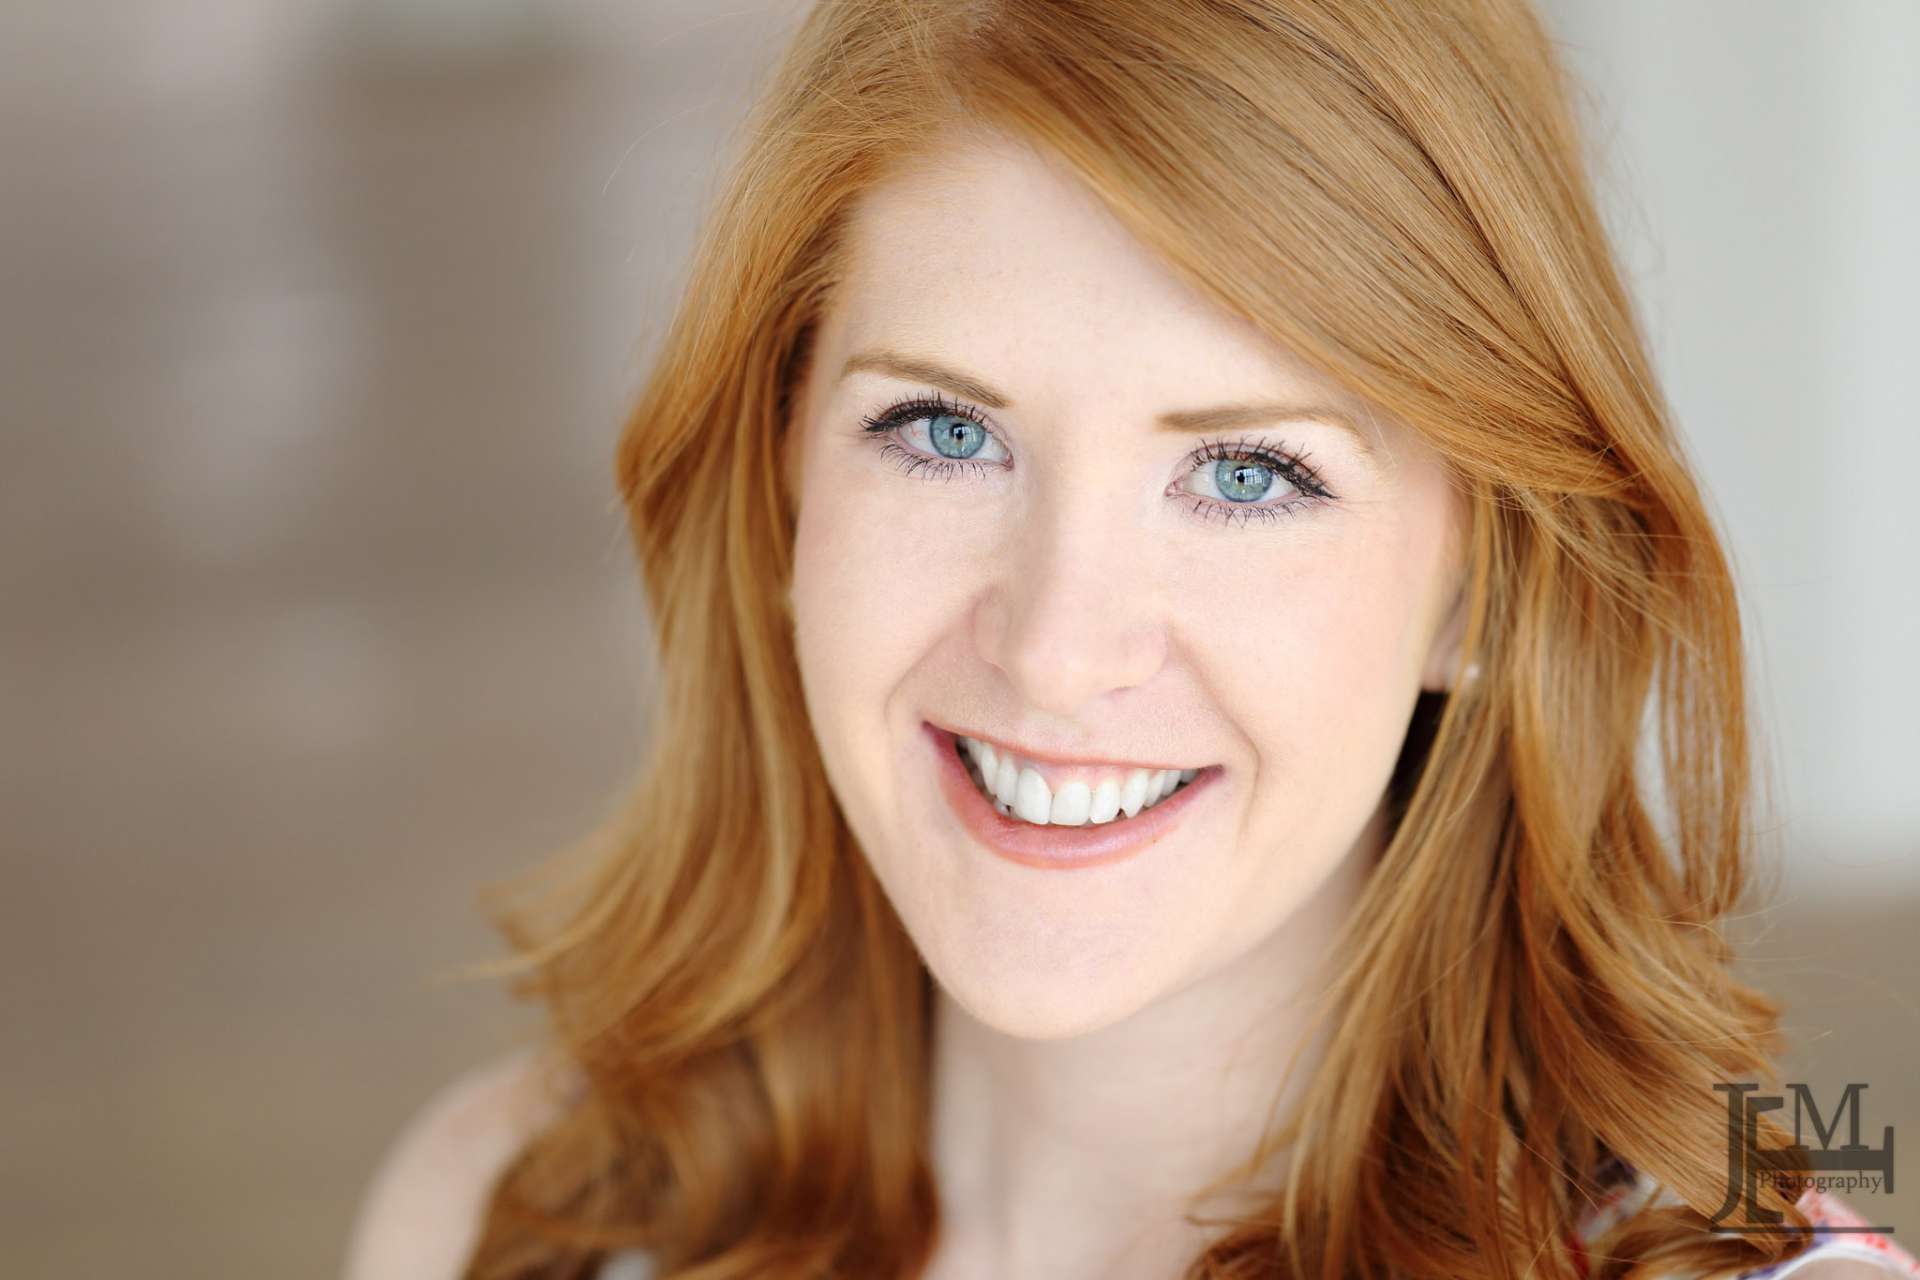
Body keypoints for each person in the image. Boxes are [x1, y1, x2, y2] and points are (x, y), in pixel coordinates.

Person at [344, 2, 1920, 1277]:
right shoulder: (511, 1216)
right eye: (945, 431)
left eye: (1246, 475)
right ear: (782, 482)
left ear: (1484, 590)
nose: (1054, 648)